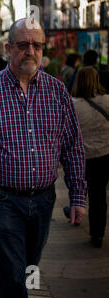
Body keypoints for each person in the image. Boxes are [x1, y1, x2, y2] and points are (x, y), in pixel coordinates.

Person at [0, 18, 87, 298]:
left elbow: (73, 146)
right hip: (2, 200)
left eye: (37, 45)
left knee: (28, 269)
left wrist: (78, 195)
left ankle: (9, 287)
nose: (30, 51)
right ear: (8, 48)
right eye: (23, 44)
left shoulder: (57, 91)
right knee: (14, 277)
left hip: (44, 200)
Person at [70, 66, 109, 248]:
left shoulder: (73, 106)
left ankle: (80, 217)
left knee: (86, 191)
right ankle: (98, 232)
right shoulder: (107, 101)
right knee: (99, 195)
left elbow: (67, 134)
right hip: (105, 155)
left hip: (84, 158)